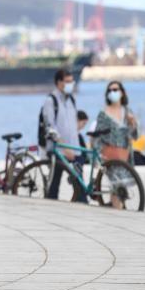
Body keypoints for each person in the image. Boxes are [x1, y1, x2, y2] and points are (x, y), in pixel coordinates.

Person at [42, 68, 85, 202]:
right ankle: (51, 208)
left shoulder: (71, 99)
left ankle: (82, 203)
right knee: (55, 184)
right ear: (59, 82)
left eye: (71, 81)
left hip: (74, 149)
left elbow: (71, 124)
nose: (71, 84)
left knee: (79, 183)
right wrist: (64, 148)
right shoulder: (51, 101)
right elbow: (50, 127)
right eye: (67, 81)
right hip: (59, 151)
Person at [94, 81, 139, 208]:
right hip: (110, 157)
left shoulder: (128, 112)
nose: (113, 93)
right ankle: (116, 211)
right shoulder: (103, 114)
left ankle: (118, 210)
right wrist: (97, 158)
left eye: (116, 89)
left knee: (122, 189)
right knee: (116, 185)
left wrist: (133, 123)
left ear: (122, 92)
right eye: (110, 90)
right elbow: (97, 137)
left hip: (125, 156)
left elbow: (135, 135)